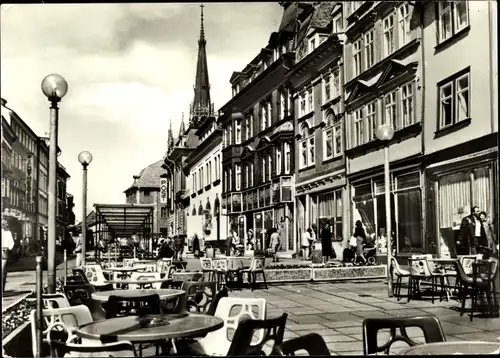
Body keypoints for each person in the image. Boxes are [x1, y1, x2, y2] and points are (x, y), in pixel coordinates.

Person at [2, 219, 15, 292]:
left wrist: (8, 248)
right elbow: (11, 243)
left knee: (2, 270)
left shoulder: (8, 233)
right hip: (4, 251)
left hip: (4, 251)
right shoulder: (8, 233)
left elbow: (11, 243)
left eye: (4, 223)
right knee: (3, 270)